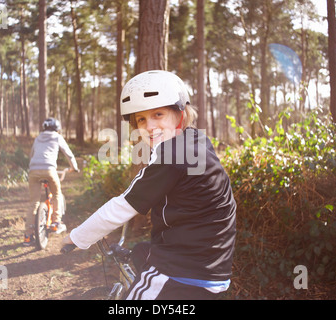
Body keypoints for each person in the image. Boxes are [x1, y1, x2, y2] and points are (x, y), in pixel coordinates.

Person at [62, 70, 236, 299]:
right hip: (213, 264)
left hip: (183, 271)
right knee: (141, 252)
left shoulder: (172, 157)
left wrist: (77, 237)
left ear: (180, 115)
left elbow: (122, 206)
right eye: (141, 119)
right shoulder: (197, 141)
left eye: (158, 114)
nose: (149, 125)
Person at [24, 117, 79, 246]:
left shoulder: (38, 138)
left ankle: (27, 236)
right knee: (56, 194)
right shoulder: (57, 137)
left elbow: (32, 154)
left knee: (34, 202)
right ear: (56, 128)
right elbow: (68, 154)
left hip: (33, 171)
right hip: (49, 169)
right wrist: (74, 168)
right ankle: (56, 223)